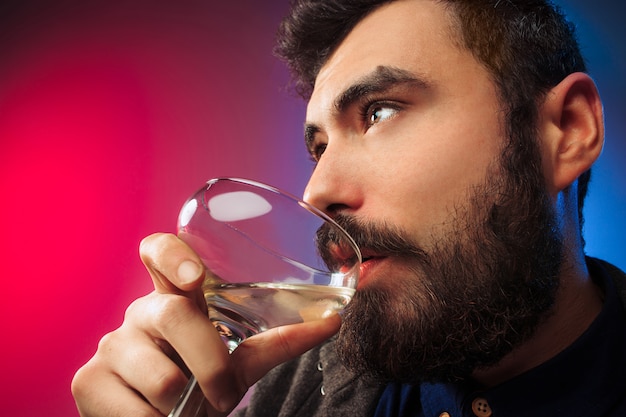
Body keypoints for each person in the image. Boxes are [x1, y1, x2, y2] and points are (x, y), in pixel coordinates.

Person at [71, 0, 626, 416]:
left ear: (569, 131)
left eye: (379, 113)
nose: (317, 193)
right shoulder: (277, 396)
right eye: (319, 147)